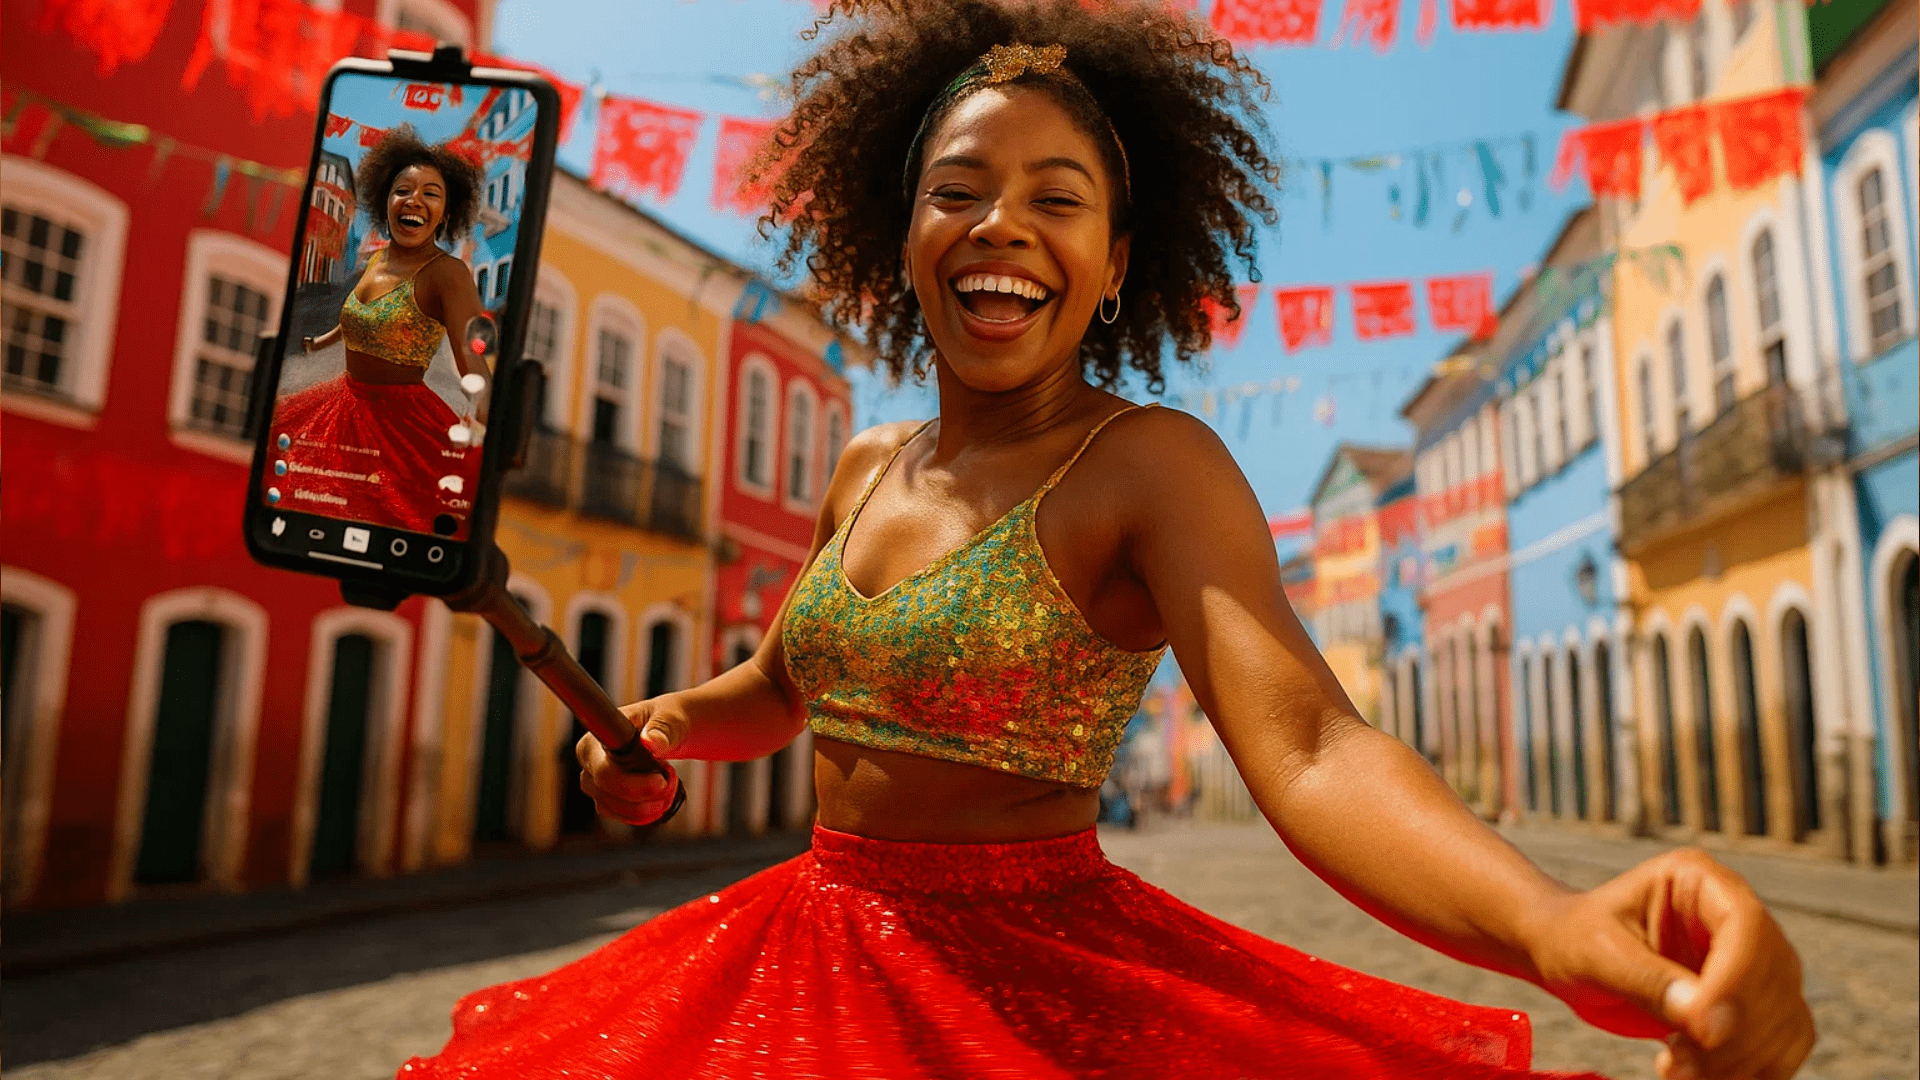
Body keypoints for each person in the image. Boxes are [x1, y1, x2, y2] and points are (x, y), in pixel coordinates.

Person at [402, 3, 1814, 1078]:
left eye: (1056, 197)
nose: (998, 223)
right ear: (904, 235)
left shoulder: (1147, 466)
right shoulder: (864, 465)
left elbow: (1313, 748)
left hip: (1030, 1001)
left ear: (1121, 263)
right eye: (957, 189)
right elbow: (782, 689)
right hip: (804, 961)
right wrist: (651, 729)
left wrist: (1549, 926)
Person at [273, 126, 490, 535]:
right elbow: (353, 318)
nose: (414, 200)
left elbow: (472, 359)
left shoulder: (448, 274)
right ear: (385, 200)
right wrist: (318, 343)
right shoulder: (375, 263)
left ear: (446, 212)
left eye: (431, 193)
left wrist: (488, 430)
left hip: (403, 430)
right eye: (402, 189)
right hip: (343, 403)